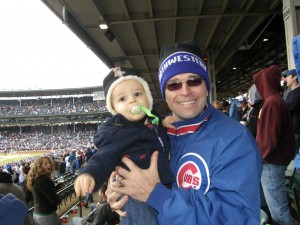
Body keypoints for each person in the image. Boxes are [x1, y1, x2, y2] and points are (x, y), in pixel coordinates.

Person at [106, 42, 262, 225]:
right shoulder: (152, 133)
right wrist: (119, 190)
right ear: (164, 92)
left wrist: (156, 194)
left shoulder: (234, 139)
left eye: (194, 81)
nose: (185, 91)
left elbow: (237, 218)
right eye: (174, 85)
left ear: (206, 86)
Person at [75, 67, 174, 225]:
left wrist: (163, 122)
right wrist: (89, 173)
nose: (132, 100)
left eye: (137, 94)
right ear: (114, 109)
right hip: (135, 197)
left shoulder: (152, 119)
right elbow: (103, 157)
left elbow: (155, 124)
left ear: (148, 98)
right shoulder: (117, 132)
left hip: (162, 187)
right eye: (122, 99)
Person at [253, 65, 295, 225]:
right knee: (272, 205)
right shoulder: (274, 101)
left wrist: (261, 158)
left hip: (270, 163)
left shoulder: (272, 103)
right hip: (272, 161)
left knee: (278, 209)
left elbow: (269, 138)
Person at [27, 156, 62, 225]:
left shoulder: (38, 178)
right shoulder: (44, 180)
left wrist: (56, 188)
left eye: (49, 163)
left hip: (38, 214)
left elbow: (44, 192)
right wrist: (60, 198)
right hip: (46, 215)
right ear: (39, 166)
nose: (49, 165)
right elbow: (54, 200)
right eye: (45, 164)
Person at [282, 69, 300, 152]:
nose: (285, 79)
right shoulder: (289, 94)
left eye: (288, 76)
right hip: (291, 130)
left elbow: (291, 106)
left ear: (295, 77)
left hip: (298, 130)